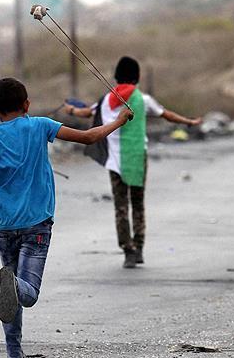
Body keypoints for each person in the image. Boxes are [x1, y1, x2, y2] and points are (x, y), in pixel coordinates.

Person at [0, 78, 132, 358]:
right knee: (26, 293)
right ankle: (14, 288)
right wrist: (120, 120)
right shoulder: (41, 125)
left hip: (6, 226)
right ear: (26, 105)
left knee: (11, 296)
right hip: (37, 224)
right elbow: (90, 137)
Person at [64, 56, 202, 269]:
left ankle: (127, 250)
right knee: (137, 204)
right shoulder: (143, 99)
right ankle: (138, 249)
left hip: (114, 160)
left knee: (121, 207)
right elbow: (167, 115)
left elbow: (85, 112)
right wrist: (190, 122)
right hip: (137, 158)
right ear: (136, 77)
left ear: (116, 76)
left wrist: (71, 110)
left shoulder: (105, 100)